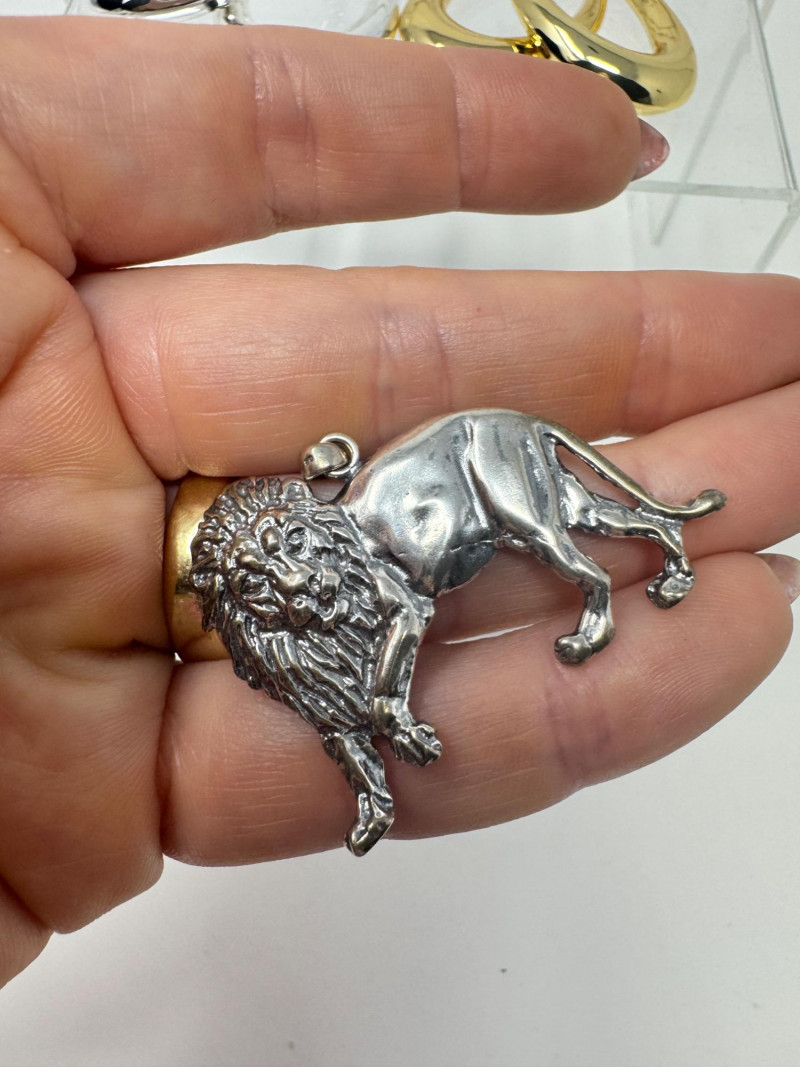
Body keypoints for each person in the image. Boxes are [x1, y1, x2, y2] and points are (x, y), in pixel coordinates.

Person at [0, 14, 797, 990]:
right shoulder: (272, 624)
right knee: (572, 514)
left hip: (470, 463)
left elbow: (410, 609)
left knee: (555, 524)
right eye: (272, 577)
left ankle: (625, 575)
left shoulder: (345, 550)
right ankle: (663, 546)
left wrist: (385, 699)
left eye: (288, 559)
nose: (294, 581)